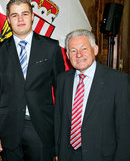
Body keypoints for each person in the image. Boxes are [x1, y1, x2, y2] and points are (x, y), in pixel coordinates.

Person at [0, 0, 65, 161]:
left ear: (33, 16)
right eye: (14, 15)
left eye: (24, 14)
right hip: (9, 129)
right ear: (8, 20)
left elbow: (61, 93)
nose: (20, 19)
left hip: (41, 129)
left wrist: (60, 133)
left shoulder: (51, 47)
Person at [54, 29, 130, 161]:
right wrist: (58, 151)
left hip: (102, 156)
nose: (79, 54)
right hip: (68, 155)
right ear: (67, 55)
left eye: (84, 48)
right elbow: (59, 119)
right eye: (73, 50)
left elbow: (125, 131)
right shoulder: (63, 80)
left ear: (95, 49)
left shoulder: (118, 81)